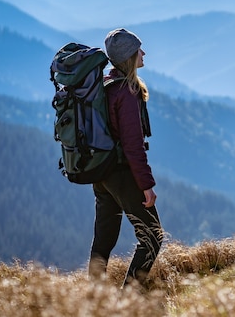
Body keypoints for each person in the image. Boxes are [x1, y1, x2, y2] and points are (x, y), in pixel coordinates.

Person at [88, 28, 163, 288]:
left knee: (104, 237)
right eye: (138, 49)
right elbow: (133, 146)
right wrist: (146, 185)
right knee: (153, 236)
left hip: (102, 171)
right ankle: (130, 299)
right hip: (121, 172)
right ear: (129, 57)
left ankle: (94, 297)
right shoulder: (127, 92)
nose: (143, 53)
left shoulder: (106, 85)